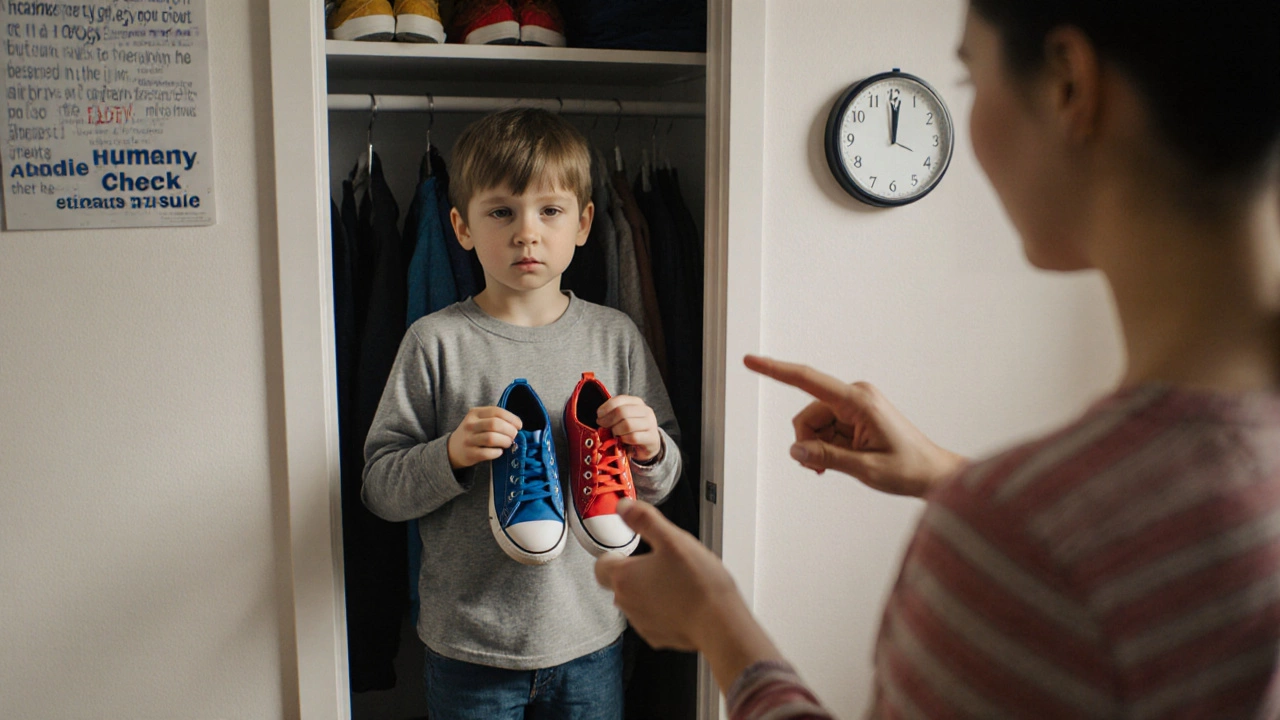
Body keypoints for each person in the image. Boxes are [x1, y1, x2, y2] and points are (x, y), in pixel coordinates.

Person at [595, 0, 1280, 717]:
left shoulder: (1017, 538)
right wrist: (952, 478)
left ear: (1070, 87)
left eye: (968, 81)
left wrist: (718, 621)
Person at [362, 107, 682, 719]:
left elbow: (662, 485)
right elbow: (380, 487)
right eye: (501, 211)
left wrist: (653, 451)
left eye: (550, 211)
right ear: (461, 226)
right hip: (468, 650)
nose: (526, 233)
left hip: (592, 638)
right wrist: (449, 455)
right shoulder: (434, 341)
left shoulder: (615, 338)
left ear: (585, 223)